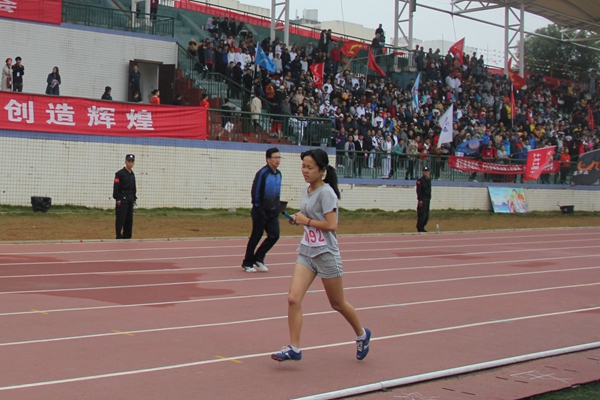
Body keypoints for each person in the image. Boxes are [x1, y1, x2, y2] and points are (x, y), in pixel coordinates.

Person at [271, 148, 371, 362]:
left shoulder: (327, 193)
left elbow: (331, 225)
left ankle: (362, 334)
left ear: (322, 170)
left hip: (326, 253)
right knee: (293, 298)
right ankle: (294, 348)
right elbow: (309, 216)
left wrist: (306, 221)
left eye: (310, 167)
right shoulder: (306, 190)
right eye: (303, 166)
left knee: (337, 303)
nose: (305, 171)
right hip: (307, 252)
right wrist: (298, 219)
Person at [241, 148, 282, 273]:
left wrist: (277, 207)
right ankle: (247, 262)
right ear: (268, 159)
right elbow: (255, 191)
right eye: (275, 157)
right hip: (260, 211)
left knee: (274, 235)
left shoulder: (279, 174)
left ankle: (259, 258)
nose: (278, 160)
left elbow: (276, 192)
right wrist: (258, 208)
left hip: (273, 211)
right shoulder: (262, 173)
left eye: (279, 157)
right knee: (256, 236)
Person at [113, 154, 137, 239]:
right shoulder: (120, 174)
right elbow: (116, 186)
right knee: (121, 217)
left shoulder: (132, 174)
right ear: (125, 162)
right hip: (122, 197)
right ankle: (119, 235)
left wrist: (134, 198)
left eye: (132, 162)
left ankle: (127, 235)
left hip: (130, 197)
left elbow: (133, 187)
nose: (130, 163)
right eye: (129, 161)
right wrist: (117, 198)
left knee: (129, 218)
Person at [416, 166, 432, 232]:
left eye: (427, 171)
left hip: (427, 199)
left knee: (426, 215)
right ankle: (420, 228)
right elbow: (419, 191)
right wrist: (420, 199)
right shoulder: (420, 181)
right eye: (425, 171)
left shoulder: (428, 180)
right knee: (422, 214)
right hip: (423, 199)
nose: (426, 172)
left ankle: (422, 226)